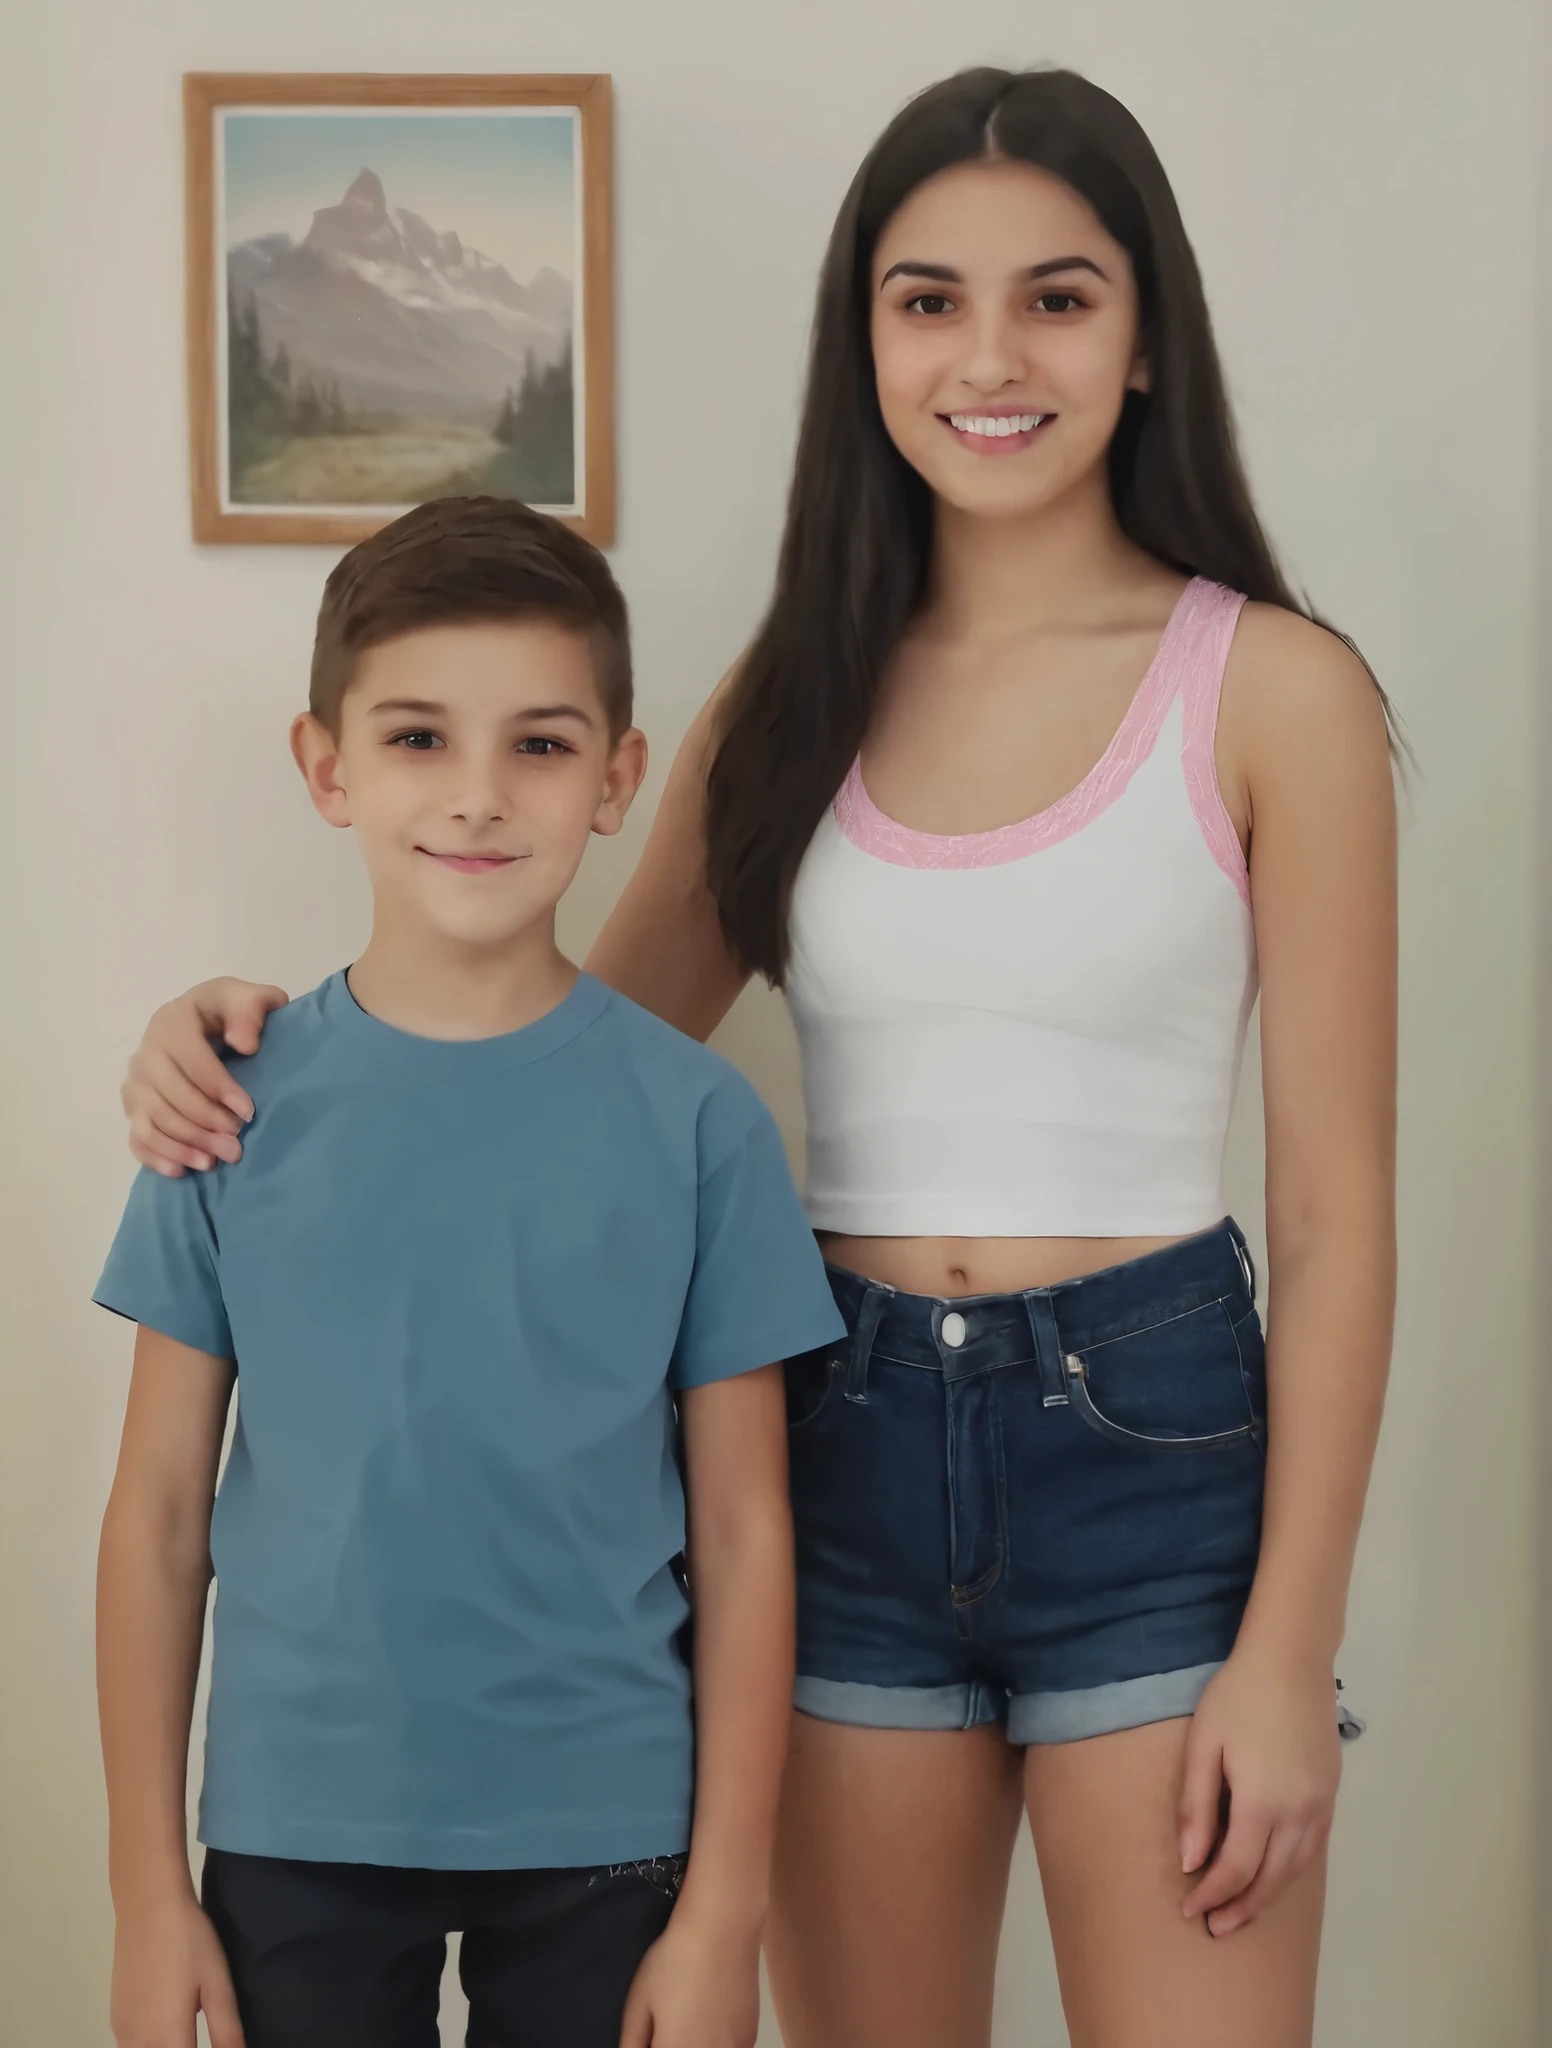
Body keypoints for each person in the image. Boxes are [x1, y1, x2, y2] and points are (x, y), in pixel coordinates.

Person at [118, 66, 1398, 2048]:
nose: (986, 355)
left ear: (1144, 340)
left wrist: (1285, 1640)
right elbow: (550, 1046)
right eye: (922, 300)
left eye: (1054, 298)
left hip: (1151, 1456)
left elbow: (1328, 1207)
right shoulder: (790, 688)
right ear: (861, 339)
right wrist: (235, 1040)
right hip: (834, 1455)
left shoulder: (1273, 690)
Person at [94, 496, 845, 2048]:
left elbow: (748, 1530)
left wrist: (727, 1910)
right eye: (422, 739)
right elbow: (159, 1514)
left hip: (611, 1827)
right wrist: (146, 1896)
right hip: (298, 1818)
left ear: (621, 780)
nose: (481, 797)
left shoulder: (701, 1125)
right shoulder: (228, 1105)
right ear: (328, 769)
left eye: (544, 746)